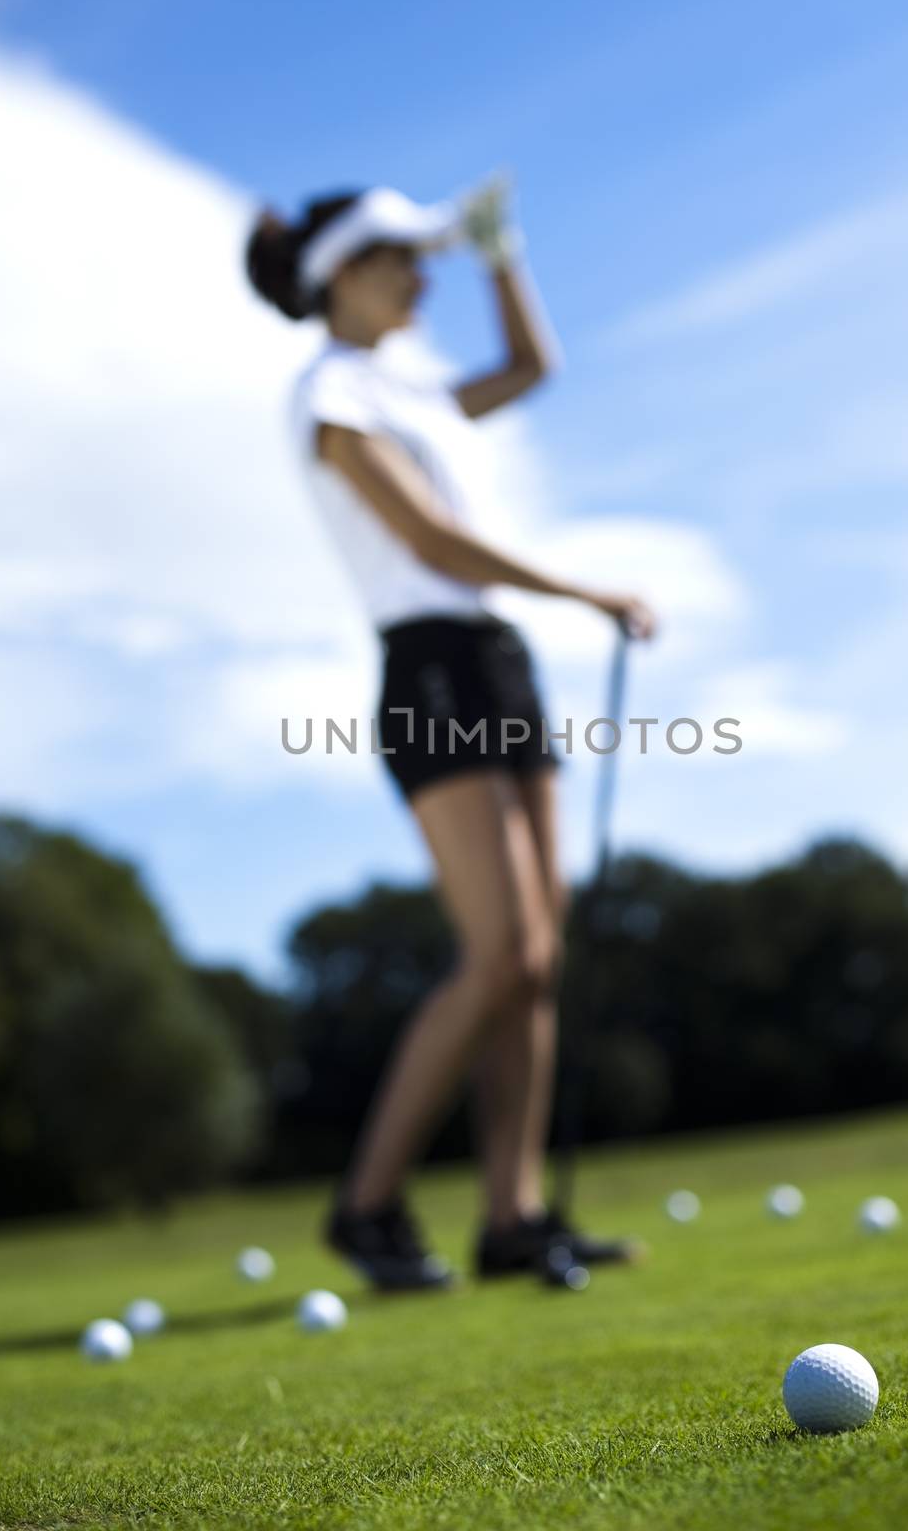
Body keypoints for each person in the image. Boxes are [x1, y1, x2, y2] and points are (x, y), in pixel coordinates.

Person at [245, 178, 657, 1289]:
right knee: (500, 953)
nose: (420, 275)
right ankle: (366, 1204)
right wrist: (582, 588)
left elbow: (531, 369)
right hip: (428, 663)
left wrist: (501, 255)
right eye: (398, 258)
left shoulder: (414, 389)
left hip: (495, 658)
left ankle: (511, 1217)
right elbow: (429, 541)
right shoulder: (330, 393)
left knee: (537, 958)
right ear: (338, 274)